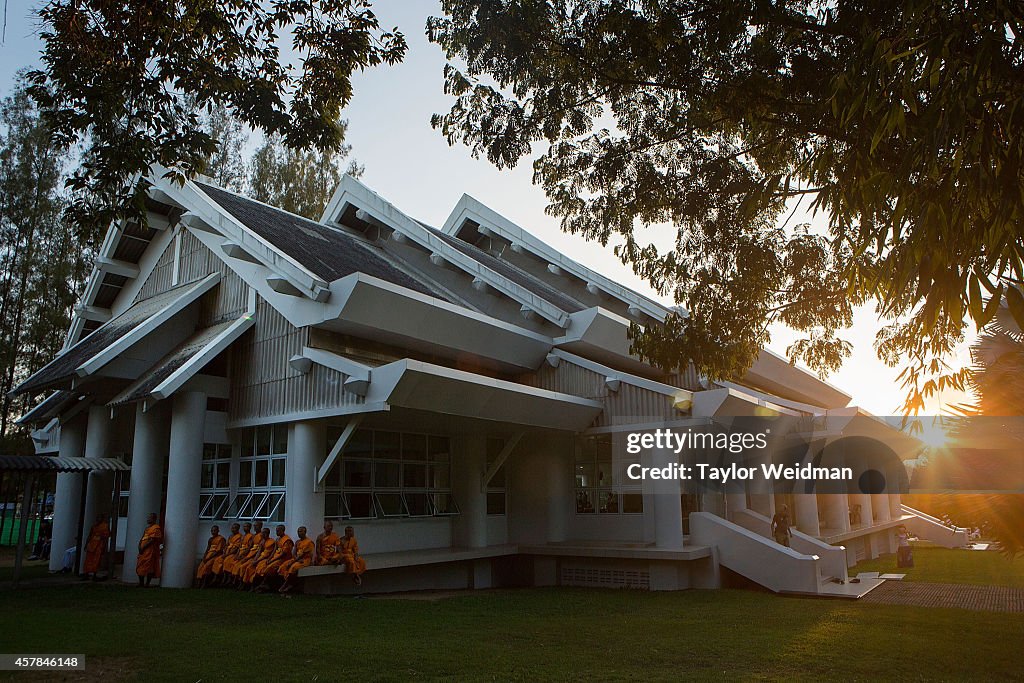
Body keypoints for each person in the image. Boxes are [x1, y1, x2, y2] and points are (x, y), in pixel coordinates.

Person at [252, 525, 293, 592]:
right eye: (276, 530)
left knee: (269, 568)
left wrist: (273, 560)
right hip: (275, 558)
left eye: (278, 531)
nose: (276, 532)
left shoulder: (287, 540)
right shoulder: (277, 539)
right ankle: (261, 584)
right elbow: (274, 550)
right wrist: (270, 559)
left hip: (283, 559)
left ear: (283, 530)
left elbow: (284, 554)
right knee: (264, 565)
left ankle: (265, 585)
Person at [278, 526, 316, 593]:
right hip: (296, 559)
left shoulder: (309, 542)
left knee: (293, 567)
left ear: (305, 532)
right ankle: (285, 585)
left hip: (305, 560)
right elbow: (294, 553)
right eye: (298, 531)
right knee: (283, 566)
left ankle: (286, 586)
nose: (299, 533)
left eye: (301, 531)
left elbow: (303, 555)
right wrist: (295, 560)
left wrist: (294, 561)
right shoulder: (297, 542)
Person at [136, 512, 163, 587]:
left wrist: (144, 547)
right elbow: (142, 538)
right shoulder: (147, 528)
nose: (148, 519)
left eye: (150, 517)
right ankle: (141, 583)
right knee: (140, 565)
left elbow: (152, 540)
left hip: (150, 551)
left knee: (150, 567)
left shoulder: (156, 528)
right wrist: (139, 546)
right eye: (148, 517)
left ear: (154, 519)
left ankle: (147, 584)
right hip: (142, 551)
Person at [82, 514, 110, 580]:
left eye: (99, 518)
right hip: (91, 545)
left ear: (102, 519)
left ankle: (94, 574)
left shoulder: (105, 526)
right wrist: (86, 544)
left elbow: (105, 538)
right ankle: (86, 574)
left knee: (96, 560)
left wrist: (104, 547)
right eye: (97, 518)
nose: (98, 519)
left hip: (99, 545)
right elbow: (89, 535)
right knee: (88, 560)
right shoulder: (94, 526)